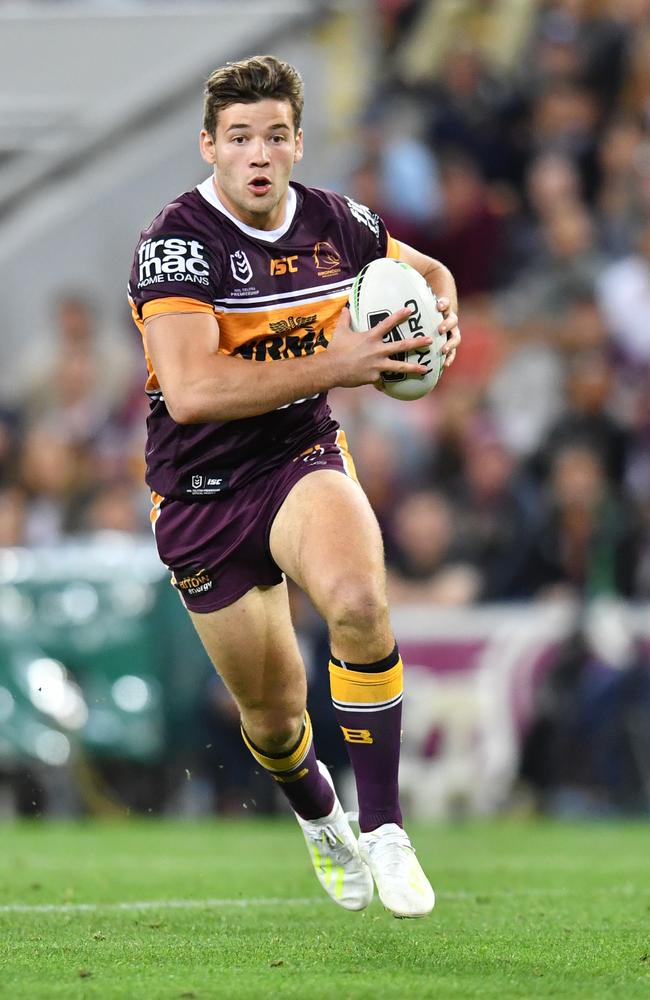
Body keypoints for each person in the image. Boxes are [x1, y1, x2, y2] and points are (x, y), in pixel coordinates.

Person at [128, 55, 461, 918]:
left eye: (275, 136)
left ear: (297, 143)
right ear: (210, 147)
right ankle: (321, 815)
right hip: (200, 494)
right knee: (275, 720)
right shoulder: (175, 242)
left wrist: (442, 314)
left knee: (357, 601)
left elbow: (427, 274)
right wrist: (341, 361)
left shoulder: (335, 221)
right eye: (239, 138)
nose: (258, 154)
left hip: (298, 459)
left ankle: (385, 828)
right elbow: (195, 392)